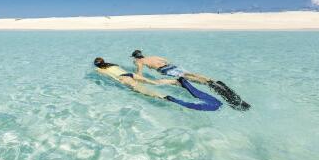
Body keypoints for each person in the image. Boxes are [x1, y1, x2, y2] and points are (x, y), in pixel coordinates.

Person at [131, 50, 250, 111]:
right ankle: (214, 83)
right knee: (194, 76)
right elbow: (167, 60)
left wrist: (136, 79)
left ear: (136, 57)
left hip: (166, 70)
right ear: (142, 54)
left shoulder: (139, 61)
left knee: (186, 79)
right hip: (173, 67)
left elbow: (139, 72)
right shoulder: (153, 56)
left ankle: (219, 90)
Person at [93, 57, 222, 111]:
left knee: (144, 92)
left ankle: (164, 97)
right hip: (130, 74)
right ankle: (176, 82)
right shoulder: (113, 64)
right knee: (154, 82)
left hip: (123, 79)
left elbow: (106, 77)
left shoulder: (98, 70)